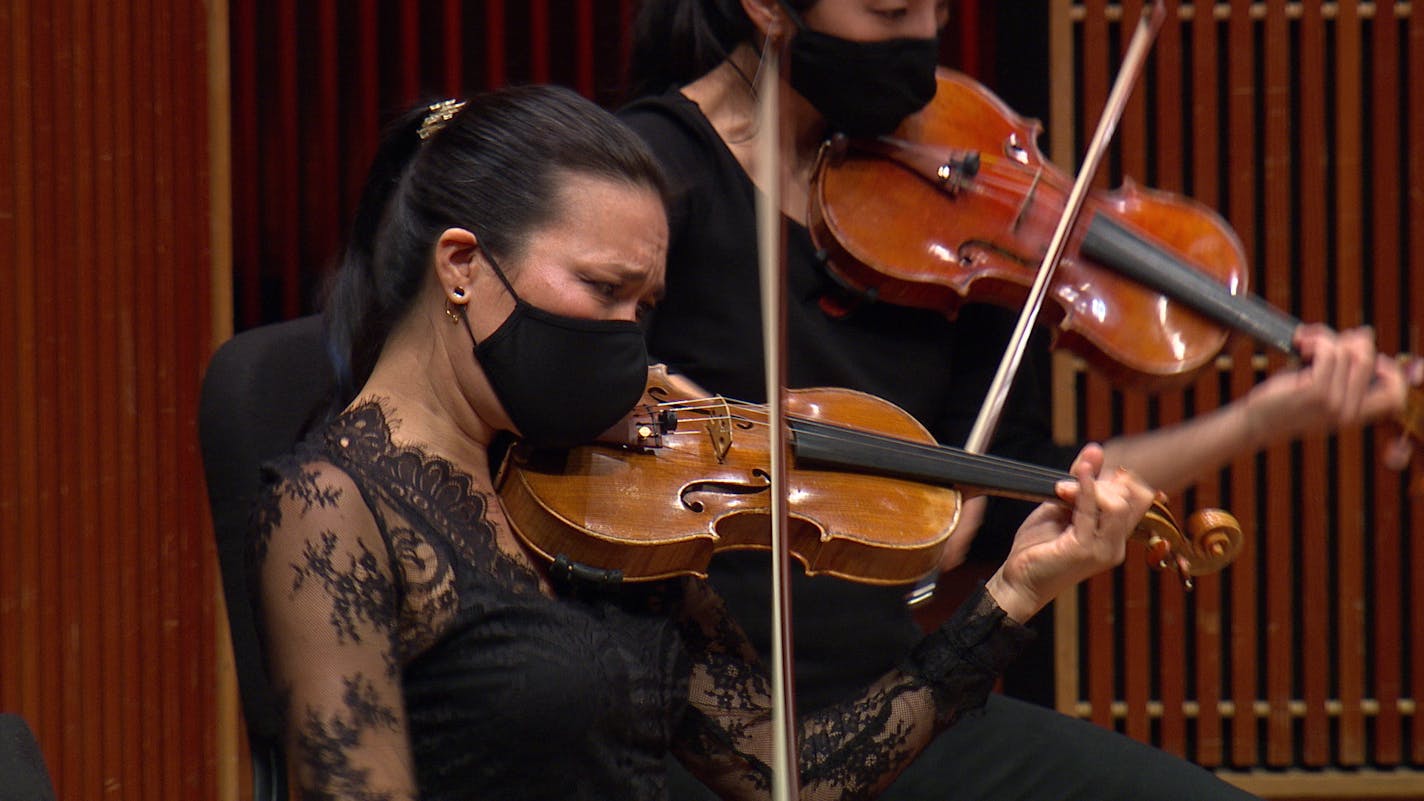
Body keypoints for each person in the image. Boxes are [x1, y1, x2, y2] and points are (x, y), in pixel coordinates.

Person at [248, 84, 1164, 800]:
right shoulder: (332, 509)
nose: (630, 341)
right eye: (602, 290)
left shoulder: (597, 491)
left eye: (642, 306)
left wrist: (1014, 590)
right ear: (461, 267)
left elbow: (796, 778)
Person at [617, 1, 1413, 799]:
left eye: (935, 10)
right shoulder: (644, 174)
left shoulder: (958, 208)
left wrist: (1265, 417)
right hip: (684, 727)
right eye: (891, 12)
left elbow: (1011, 480)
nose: (922, 43)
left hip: (895, 709)